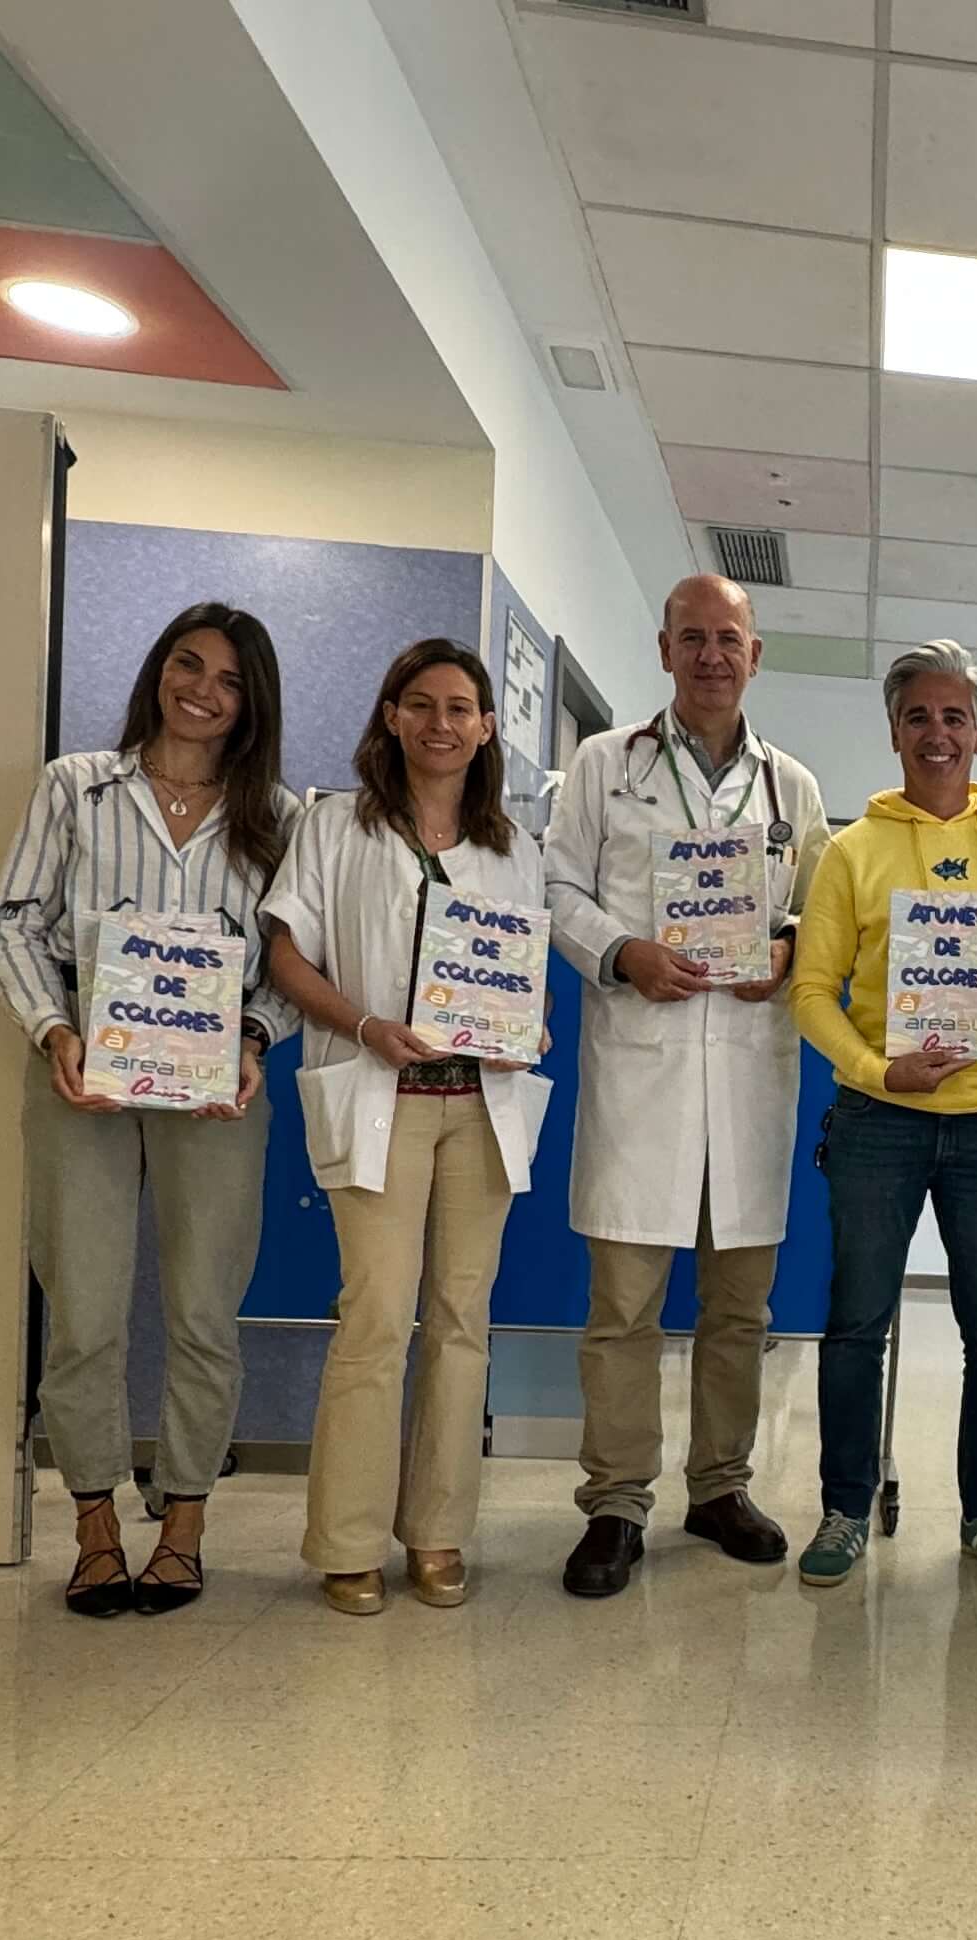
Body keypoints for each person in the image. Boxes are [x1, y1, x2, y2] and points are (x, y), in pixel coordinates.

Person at [0, 602, 299, 1617]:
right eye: (186, 665)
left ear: (253, 702)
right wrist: (53, 1030)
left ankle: (187, 1524)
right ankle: (92, 1526)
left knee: (205, 1310)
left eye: (228, 679)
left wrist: (255, 1039)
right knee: (83, 1308)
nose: (202, 690)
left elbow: (297, 965)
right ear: (159, 672)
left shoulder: (278, 819)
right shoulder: (77, 788)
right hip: (85, 1073)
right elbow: (9, 922)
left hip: (214, 1088)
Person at [543, 574, 834, 1598]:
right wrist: (621, 952)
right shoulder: (600, 766)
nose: (713, 656)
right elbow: (554, 886)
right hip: (644, 1066)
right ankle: (617, 1502)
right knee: (622, 1310)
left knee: (738, 1310)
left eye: (731, 640)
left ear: (757, 656)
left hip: (749, 1075)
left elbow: (818, 913)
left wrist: (790, 945)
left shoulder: (791, 787)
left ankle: (718, 1488)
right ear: (664, 651)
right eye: (693, 638)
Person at [260, 639, 554, 1617]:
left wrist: (526, 1029)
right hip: (377, 1099)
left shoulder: (513, 848)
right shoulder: (336, 825)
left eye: (460, 707)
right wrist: (364, 1025)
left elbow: (523, 975)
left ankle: (437, 1533)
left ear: (485, 726)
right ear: (391, 715)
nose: (441, 723)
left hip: (479, 1112)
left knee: (463, 1324)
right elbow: (285, 955)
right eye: (420, 704)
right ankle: (346, 1542)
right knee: (377, 1319)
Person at [786, 640, 977, 1590]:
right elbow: (812, 994)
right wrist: (876, 1068)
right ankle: (841, 1505)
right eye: (920, 716)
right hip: (878, 1120)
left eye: (955, 717)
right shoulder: (851, 852)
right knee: (854, 1324)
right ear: (895, 730)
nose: (938, 733)